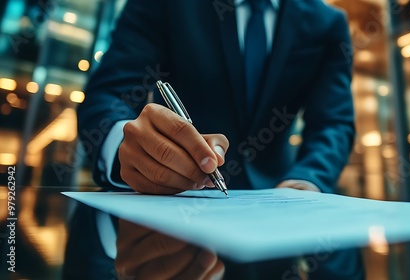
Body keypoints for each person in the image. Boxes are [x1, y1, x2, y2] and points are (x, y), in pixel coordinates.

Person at [72, 0, 364, 279]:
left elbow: (332, 123)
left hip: (280, 227)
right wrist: (124, 147)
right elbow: (108, 95)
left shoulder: (327, 23)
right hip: (176, 220)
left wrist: (308, 178)